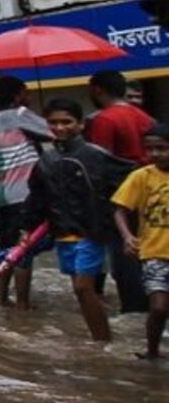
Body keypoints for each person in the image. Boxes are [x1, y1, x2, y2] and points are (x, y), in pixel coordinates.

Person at [37, 97, 128, 343]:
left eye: (66, 122)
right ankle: (100, 338)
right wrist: (26, 229)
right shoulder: (46, 161)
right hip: (63, 234)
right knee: (81, 291)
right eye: (53, 123)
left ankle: (103, 341)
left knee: (82, 287)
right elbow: (38, 197)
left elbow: (126, 184)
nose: (59, 128)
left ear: (80, 125)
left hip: (92, 233)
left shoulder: (96, 155)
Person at [86, 69, 153, 315]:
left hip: (119, 195)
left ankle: (134, 310)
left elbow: (98, 162)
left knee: (124, 252)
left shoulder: (104, 120)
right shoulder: (143, 117)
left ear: (97, 90)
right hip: (149, 191)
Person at [0, 75, 50, 308]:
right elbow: (54, 131)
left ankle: (3, 300)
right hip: (22, 194)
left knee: (6, 248)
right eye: (25, 93)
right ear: (17, 95)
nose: (28, 97)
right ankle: (22, 304)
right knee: (24, 250)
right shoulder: (19, 115)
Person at [111, 121, 169, 360]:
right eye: (150, 149)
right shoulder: (141, 176)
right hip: (154, 252)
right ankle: (152, 352)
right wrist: (127, 236)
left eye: (162, 148)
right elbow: (119, 208)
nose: (155, 154)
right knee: (158, 308)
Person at [86, 71, 153, 166]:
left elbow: (99, 158)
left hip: (121, 176)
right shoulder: (142, 115)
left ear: (97, 90)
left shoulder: (104, 119)